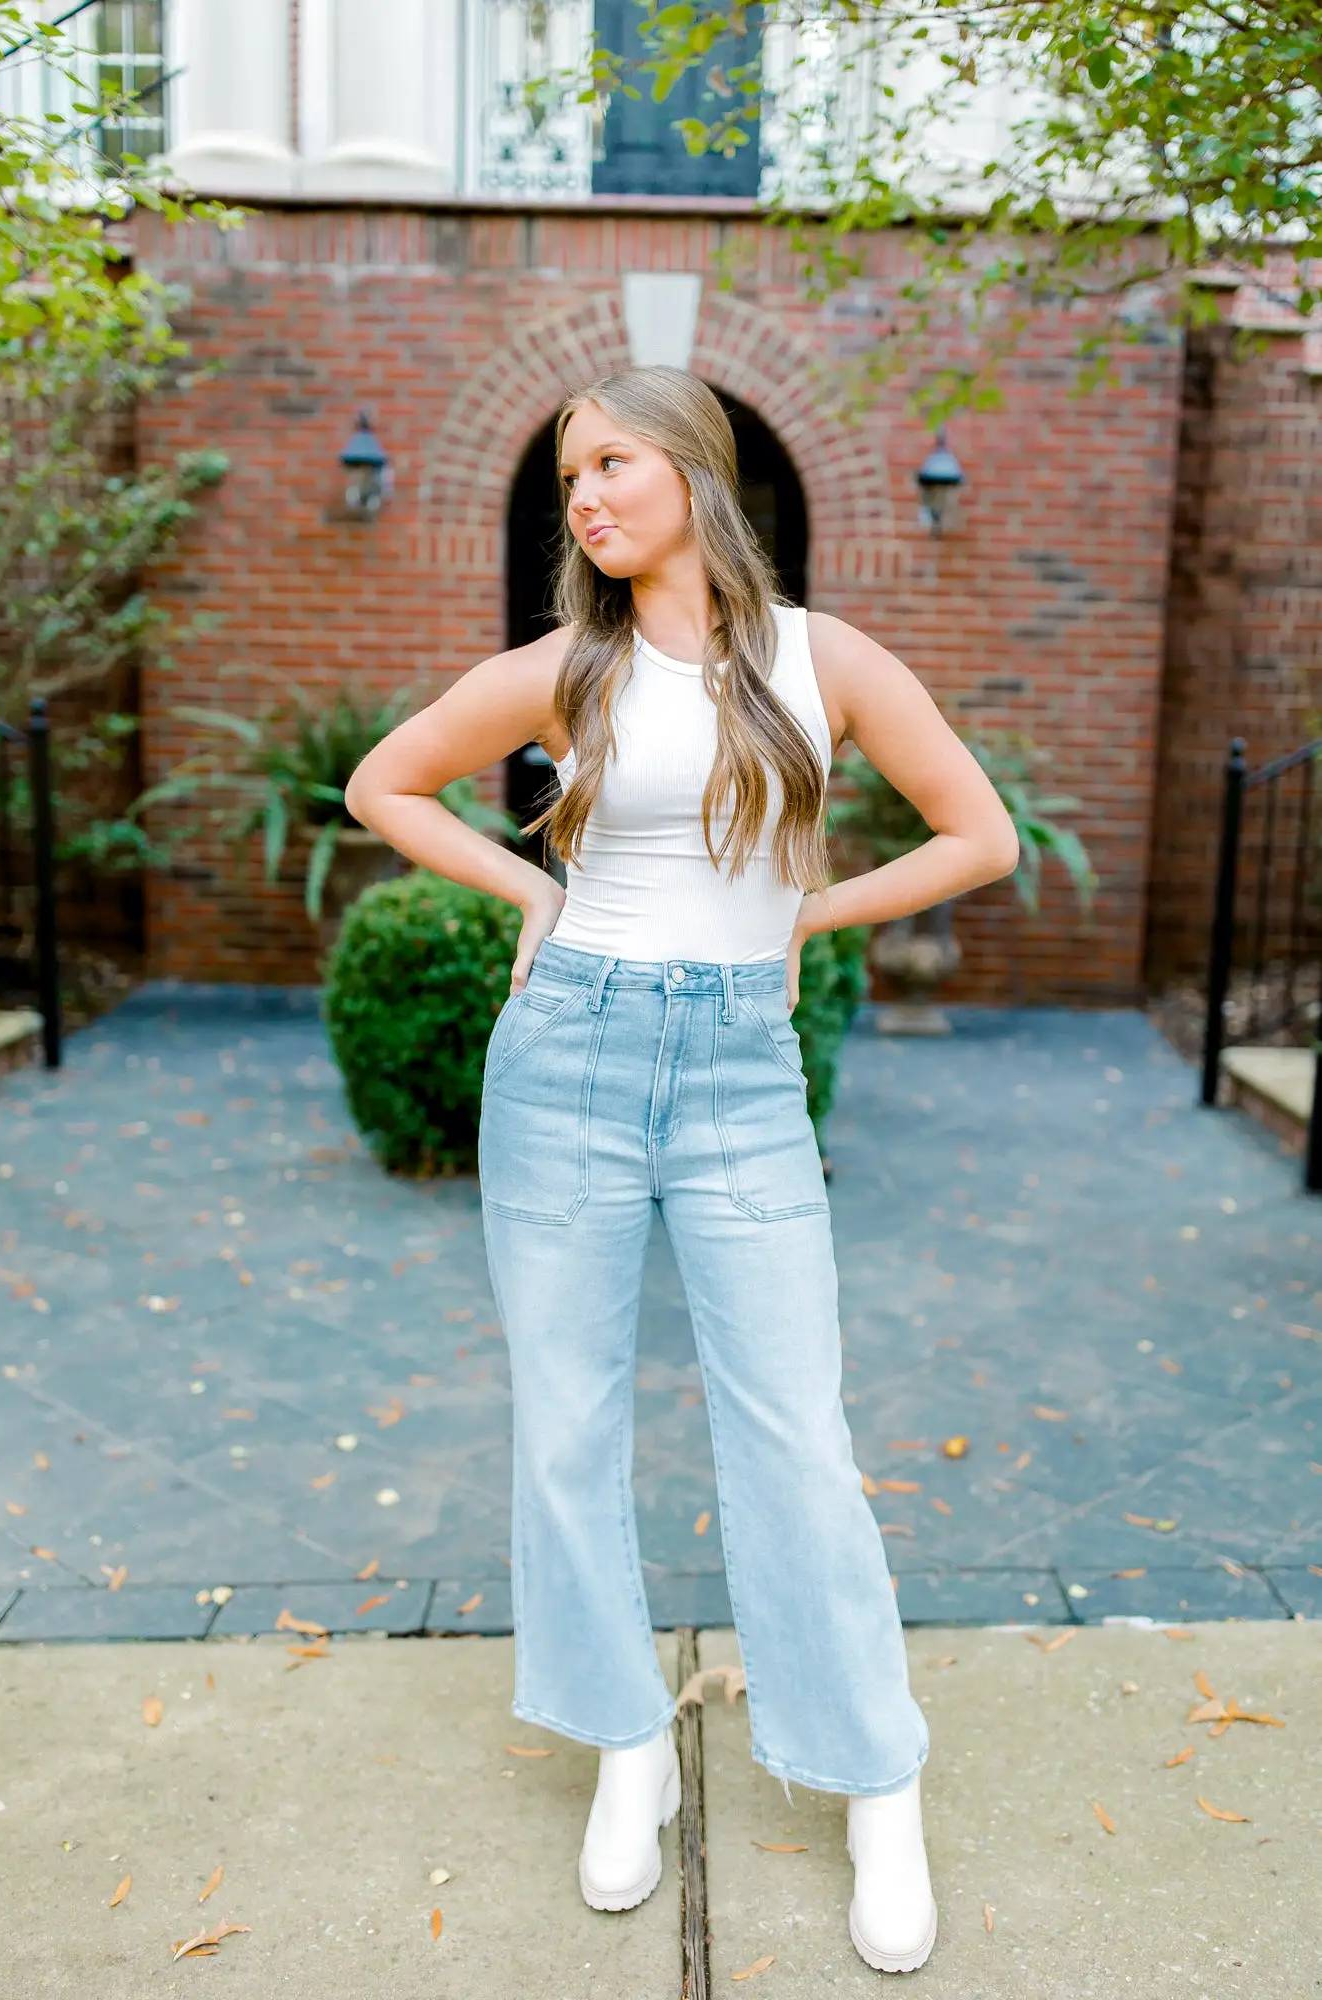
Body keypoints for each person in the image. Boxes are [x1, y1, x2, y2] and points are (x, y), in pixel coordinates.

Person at [344, 364, 1018, 1975]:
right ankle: (627, 1745)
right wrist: (531, 900)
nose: (584, 494)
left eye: (613, 461)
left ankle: (876, 1781)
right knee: (568, 1424)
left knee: (792, 1428)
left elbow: (973, 834)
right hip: (567, 1060)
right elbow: (385, 781)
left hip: (735, 1076)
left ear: (695, 476)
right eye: (571, 471)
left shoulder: (818, 658)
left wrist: (802, 914)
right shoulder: (567, 667)